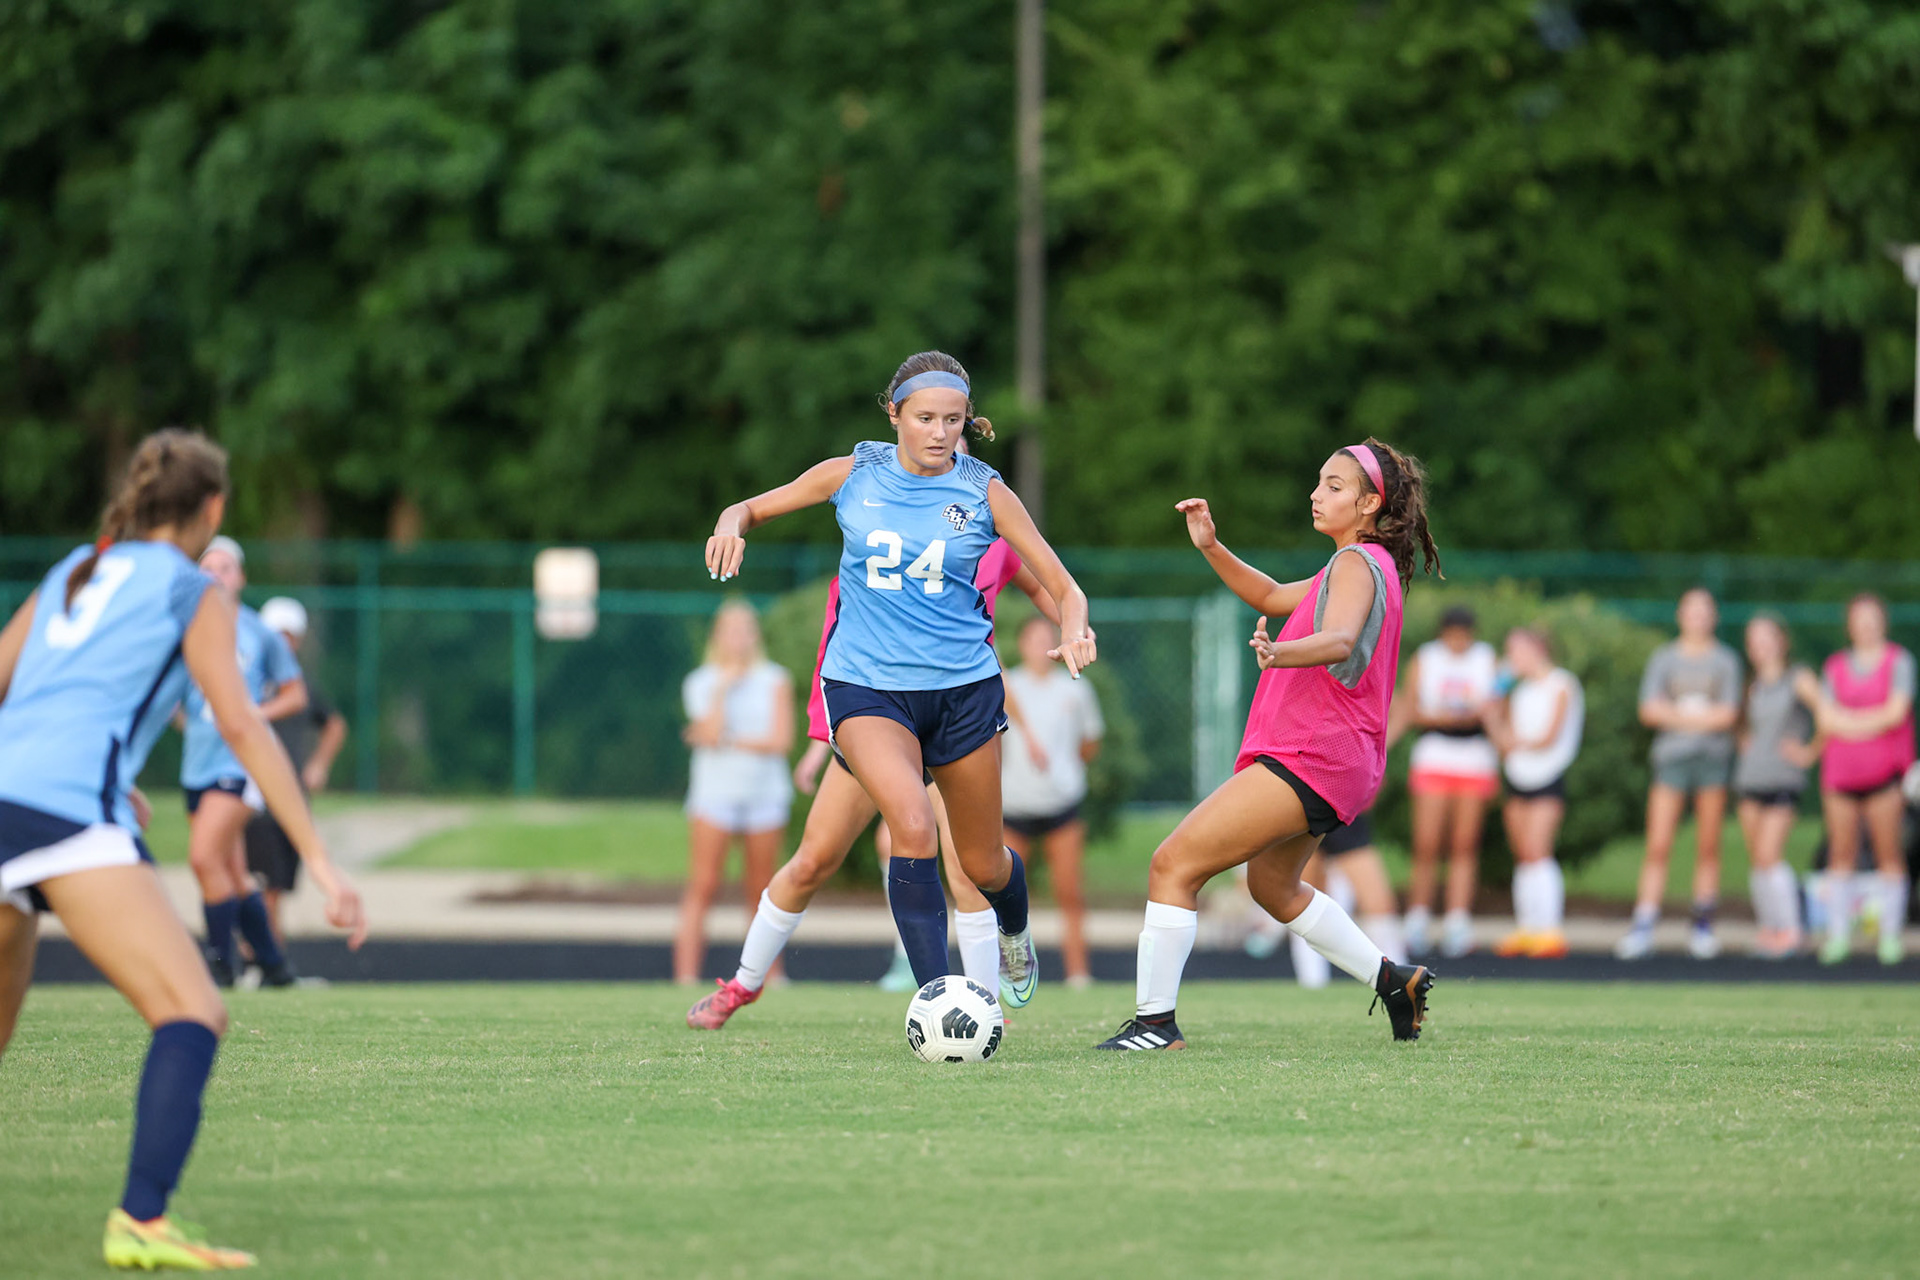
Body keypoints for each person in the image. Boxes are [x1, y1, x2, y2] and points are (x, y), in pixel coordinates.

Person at [0, 429, 364, 1270]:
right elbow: (241, 723)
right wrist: (320, 858)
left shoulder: (76, 571)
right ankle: (142, 1219)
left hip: (17, 796)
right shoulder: (194, 589)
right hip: (62, 817)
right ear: (214, 508)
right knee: (192, 1011)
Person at [699, 351, 1095, 1014]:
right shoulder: (853, 473)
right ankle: (942, 1003)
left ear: (969, 421)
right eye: (924, 418)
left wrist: (1076, 627)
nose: (939, 432)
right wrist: (728, 524)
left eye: (953, 419)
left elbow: (1062, 586)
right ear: (895, 415)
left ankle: (1015, 932)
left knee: (984, 865)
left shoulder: (986, 491)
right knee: (909, 829)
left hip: (963, 695)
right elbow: (750, 507)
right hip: (869, 691)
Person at [1096, 440, 1439, 1051]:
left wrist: (1281, 652)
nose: (1316, 493)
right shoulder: (1354, 564)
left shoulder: (1358, 563)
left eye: (1334, 486)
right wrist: (1210, 545)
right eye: (1319, 482)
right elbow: (1272, 597)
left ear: (1369, 504)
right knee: (1272, 889)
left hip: (1313, 755)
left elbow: (1336, 639)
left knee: (1173, 865)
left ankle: (1154, 1025)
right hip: (1336, 761)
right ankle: (1393, 980)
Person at [687, 528, 1063, 1029]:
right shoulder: (880, 535)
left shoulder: (990, 534)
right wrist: (821, 740)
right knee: (812, 862)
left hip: (954, 722)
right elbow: (833, 641)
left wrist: (1074, 626)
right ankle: (743, 983)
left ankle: (984, 1006)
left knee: (970, 867)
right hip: (881, 722)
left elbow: (1041, 586)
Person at [180, 536, 309, 988]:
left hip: (238, 766)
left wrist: (253, 717)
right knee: (232, 872)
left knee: (202, 859)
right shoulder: (185, 631)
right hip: (197, 765)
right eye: (207, 565)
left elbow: (296, 695)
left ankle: (220, 966)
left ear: (241, 577)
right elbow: (175, 699)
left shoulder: (259, 633)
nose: (216, 573)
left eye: (225, 566)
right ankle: (275, 966)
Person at [1615, 588, 1742, 961]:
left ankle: (1702, 926)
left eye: (1705, 611)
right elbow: (1649, 710)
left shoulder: (1725, 660)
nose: (1698, 617)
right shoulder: (1665, 658)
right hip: (1671, 760)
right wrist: (1698, 717)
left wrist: (1679, 715)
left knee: (1708, 845)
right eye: (1692, 611)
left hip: (1712, 761)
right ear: (1680, 615)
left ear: (1713, 617)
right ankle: (1644, 924)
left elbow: (1728, 714)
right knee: (1658, 844)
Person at [675, 600, 793, 985]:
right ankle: (686, 976)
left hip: (765, 796)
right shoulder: (701, 681)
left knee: (763, 892)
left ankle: (768, 976)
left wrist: (724, 739)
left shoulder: (776, 680)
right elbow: (706, 731)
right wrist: (723, 690)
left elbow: (780, 741)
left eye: (746, 629)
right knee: (703, 885)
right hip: (714, 797)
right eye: (731, 630)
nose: (739, 638)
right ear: (718, 636)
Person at [1001, 613, 1105, 987]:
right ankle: (1013, 975)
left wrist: (1063, 773)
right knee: (1006, 896)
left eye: (1047, 639)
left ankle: (1078, 974)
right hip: (1013, 808)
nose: (1039, 648)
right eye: (1032, 639)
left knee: (1070, 891)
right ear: (1021, 645)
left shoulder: (1075, 690)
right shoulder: (1006, 685)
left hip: (1062, 806)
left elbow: (1089, 744)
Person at [1811, 594, 1915, 965]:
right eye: (1860, 619)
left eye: (1872, 618)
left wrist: (1849, 722)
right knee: (1840, 854)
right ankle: (1838, 936)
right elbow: (1826, 719)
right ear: (1850, 625)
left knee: (1889, 853)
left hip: (1883, 776)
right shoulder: (1835, 666)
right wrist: (1867, 722)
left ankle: (1889, 937)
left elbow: (1895, 713)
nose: (1866, 625)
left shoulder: (1899, 661)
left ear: (1882, 622)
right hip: (1840, 775)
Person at [244, 596, 349, 945]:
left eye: (289, 635)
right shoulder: (247, 681)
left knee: (278, 887)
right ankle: (261, 962)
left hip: (291, 796)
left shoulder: (299, 685)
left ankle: (271, 963)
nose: (283, 643)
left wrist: (318, 765)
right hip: (255, 795)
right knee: (262, 887)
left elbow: (334, 724)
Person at [1398, 606, 1499, 959]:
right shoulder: (1426, 658)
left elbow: (1493, 706)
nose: (1458, 642)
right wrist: (1446, 715)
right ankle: (1418, 916)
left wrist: (1475, 715)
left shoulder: (1486, 658)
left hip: (1473, 756)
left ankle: (1457, 919)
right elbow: (1413, 708)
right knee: (1426, 843)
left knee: (1464, 844)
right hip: (1436, 753)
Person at [1488, 627, 1583, 959]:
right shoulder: (1520, 692)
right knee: (1523, 854)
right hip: (1518, 777)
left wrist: (1516, 742)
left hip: (1546, 777)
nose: (1511, 659)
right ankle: (1528, 927)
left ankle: (1549, 929)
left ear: (1537, 649)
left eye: (1516, 651)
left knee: (1538, 851)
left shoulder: (1562, 684)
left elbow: (1548, 737)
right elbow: (1503, 737)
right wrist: (1494, 702)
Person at [1732, 614, 1819, 959]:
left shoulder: (1798, 678)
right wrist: (1745, 743)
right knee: (1758, 861)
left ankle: (1792, 928)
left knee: (1771, 856)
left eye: (1766, 638)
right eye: (1753, 640)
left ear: (1782, 640)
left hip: (1783, 779)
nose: (1760, 646)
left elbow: (1826, 713)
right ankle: (1770, 929)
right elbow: (1741, 726)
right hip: (1751, 778)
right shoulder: (1752, 686)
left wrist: (1810, 750)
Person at [1273, 811, 1407, 988]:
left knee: (1378, 905)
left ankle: (1401, 980)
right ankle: (1312, 983)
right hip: (1304, 804)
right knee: (1303, 897)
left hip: (1341, 806)